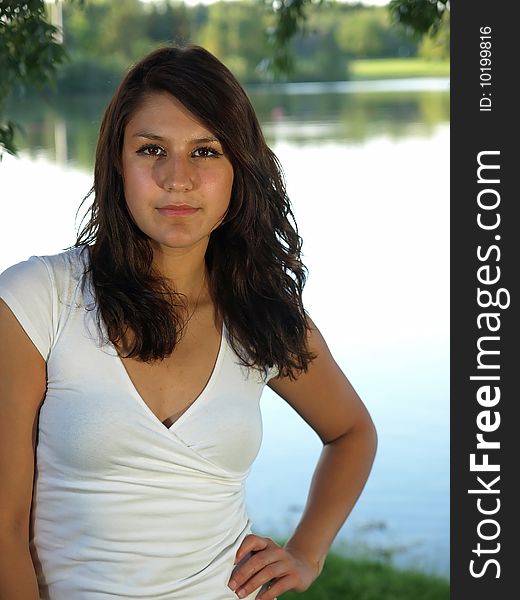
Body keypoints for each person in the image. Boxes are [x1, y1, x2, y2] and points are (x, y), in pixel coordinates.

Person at [0, 45, 377, 600]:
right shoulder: (38, 300)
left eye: (205, 151)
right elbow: (4, 526)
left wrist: (306, 553)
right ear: (116, 164)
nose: (177, 178)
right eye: (151, 148)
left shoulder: (260, 314)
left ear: (238, 169)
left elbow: (351, 433)